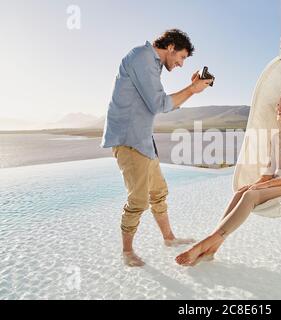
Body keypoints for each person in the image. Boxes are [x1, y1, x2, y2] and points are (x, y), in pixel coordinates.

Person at [101, 29, 213, 267]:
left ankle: (169, 238)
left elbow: (159, 103)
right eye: (181, 57)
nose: (181, 64)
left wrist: (191, 87)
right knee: (139, 200)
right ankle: (127, 252)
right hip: (129, 139)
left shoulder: (151, 64)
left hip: (143, 139)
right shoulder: (142, 57)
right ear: (170, 47)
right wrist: (192, 89)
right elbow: (159, 104)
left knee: (159, 191)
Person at [175, 95, 281, 266]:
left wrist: (266, 184)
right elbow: (269, 172)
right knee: (242, 191)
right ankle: (213, 247)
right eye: (277, 104)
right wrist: (256, 184)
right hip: (274, 182)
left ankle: (205, 244)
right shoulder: (276, 137)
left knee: (250, 196)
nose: (278, 107)